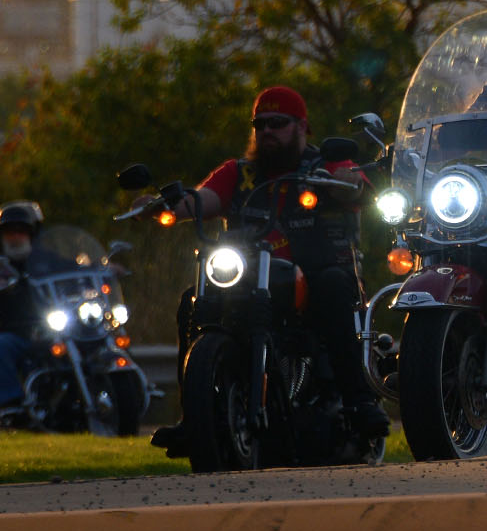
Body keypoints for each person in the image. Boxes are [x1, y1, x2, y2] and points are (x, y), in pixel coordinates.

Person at [146, 86, 390, 455]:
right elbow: (203, 199)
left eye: (278, 123)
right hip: (246, 278)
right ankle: (193, 417)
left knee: (333, 284)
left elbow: (355, 186)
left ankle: (359, 401)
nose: (267, 132)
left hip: (310, 276)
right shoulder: (238, 174)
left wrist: (348, 183)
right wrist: (167, 205)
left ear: (301, 126)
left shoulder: (324, 165)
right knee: (193, 300)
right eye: (260, 124)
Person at [0, 201, 67, 428]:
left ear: (31, 233)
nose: (16, 237)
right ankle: (11, 406)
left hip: (46, 329)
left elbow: (71, 268)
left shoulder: (45, 260)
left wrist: (102, 268)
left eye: (21, 231)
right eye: (10, 232)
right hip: (11, 331)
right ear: (0, 236)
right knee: (0, 345)